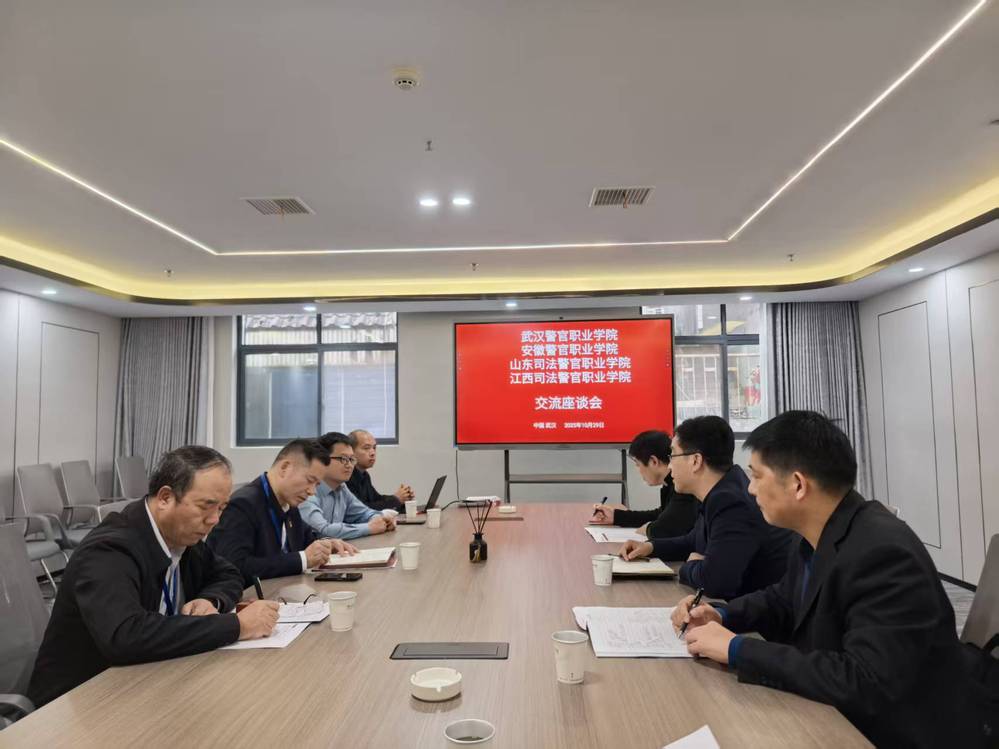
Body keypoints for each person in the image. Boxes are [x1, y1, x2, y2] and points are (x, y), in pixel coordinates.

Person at [676, 410, 993, 747]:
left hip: (900, 733)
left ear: (798, 484)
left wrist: (738, 649)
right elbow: (783, 599)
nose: (750, 489)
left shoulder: (883, 552)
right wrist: (721, 614)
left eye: (756, 476)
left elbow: (865, 680)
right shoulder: (820, 530)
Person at [27, 446, 280, 707]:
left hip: (146, 680)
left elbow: (228, 573)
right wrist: (236, 626)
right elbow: (125, 636)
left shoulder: (180, 536)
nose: (214, 520)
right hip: (78, 701)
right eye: (206, 506)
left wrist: (210, 600)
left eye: (222, 508)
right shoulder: (109, 550)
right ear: (165, 498)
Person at [618, 416, 794, 599]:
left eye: (673, 456)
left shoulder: (731, 502)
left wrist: (688, 566)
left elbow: (715, 582)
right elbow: (691, 541)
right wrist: (650, 547)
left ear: (696, 461)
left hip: (751, 612)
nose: (669, 465)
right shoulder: (721, 489)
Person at [207, 438, 356, 585]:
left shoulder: (289, 504)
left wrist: (327, 545)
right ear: (285, 468)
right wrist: (302, 559)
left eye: (317, 484)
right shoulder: (243, 505)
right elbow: (235, 567)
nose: (312, 491)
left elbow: (307, 540)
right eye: (310, 480)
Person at [590, 429, 698, 538]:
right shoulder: (669, 483)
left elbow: (666, 527)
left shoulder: (682, 486)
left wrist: (649, 529)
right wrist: (616, 516)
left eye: (638, 464)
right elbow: (661, 515)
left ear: (653, 461)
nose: (638, 470)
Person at [300, 431, 397, 540]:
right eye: (343, 459)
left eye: (351, 459)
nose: (349, 465)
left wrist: (380, 519)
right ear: (323, 459)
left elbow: (364, 513)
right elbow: (322, 531)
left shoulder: (341, 487)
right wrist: (369, 528)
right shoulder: (307, 490)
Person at [346, 429, 414, 512]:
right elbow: (361, 509)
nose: (373, 453)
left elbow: (377, 499)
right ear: (350, 451)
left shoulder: (364, 475)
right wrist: (396, 499)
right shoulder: (346, 475)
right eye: (366, 448)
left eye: (374, 448)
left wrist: (402, 499)